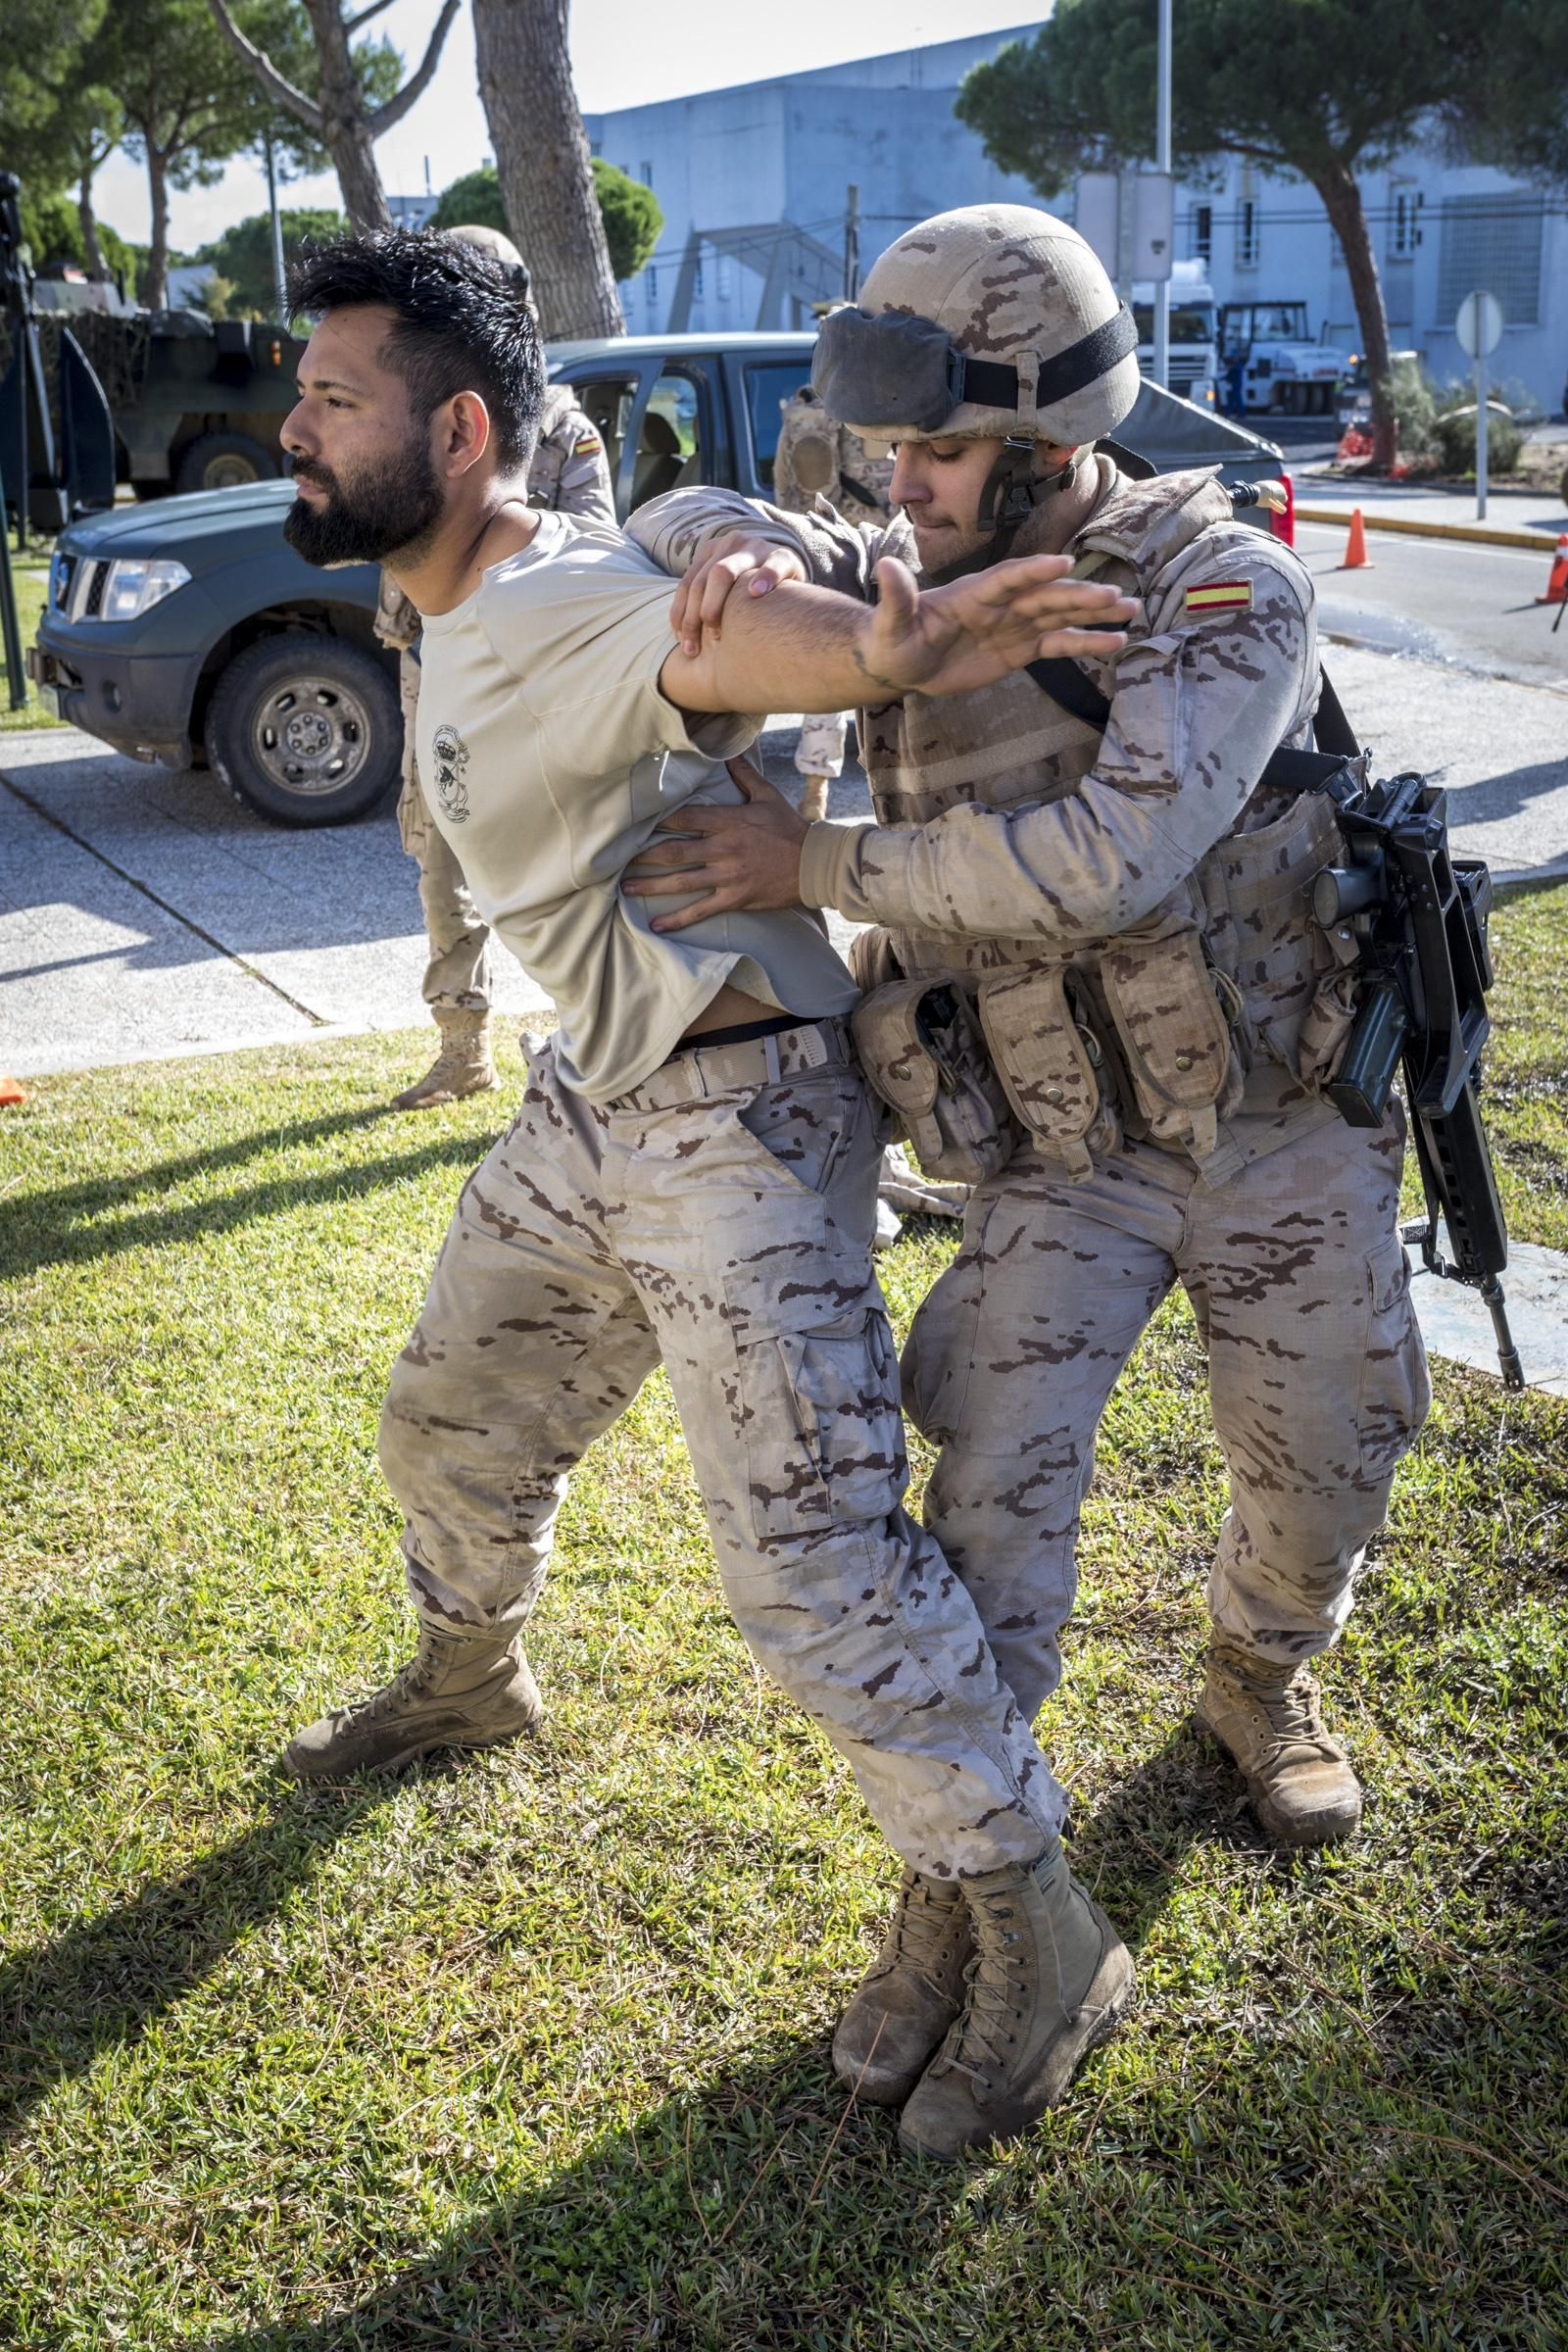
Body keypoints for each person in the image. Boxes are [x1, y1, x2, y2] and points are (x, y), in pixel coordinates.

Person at [271, 224, 1144, 2162]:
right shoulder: (476, 586)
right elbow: (698, 557)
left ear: (462, 426)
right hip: (599, 1102)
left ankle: (1037, 1918)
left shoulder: (564, 600)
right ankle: (465, 1672)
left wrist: (888, 648)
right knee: (449, 1422)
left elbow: (732, 644)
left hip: (738, 1128)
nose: (294, 427)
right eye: (305, 392)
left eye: (333, 399)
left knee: (810, 1570)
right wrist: (725, 536)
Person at [624, 202, 1431, 2129]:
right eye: (879, 454)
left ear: (1055, 441)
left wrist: (804, 865)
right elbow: (658, 555)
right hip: (1057, 1161)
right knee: (984, 1507)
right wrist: (716, 543)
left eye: (929, 450)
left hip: (1270, 1131)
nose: (887, 487)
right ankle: (965, 1885)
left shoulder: (1213, 588)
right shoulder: (900, 556)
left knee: (1326, 1456)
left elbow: (1101, 866)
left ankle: (1254, 1677)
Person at [377, 224, 616, 1113]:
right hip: (431, 662)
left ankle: (591, 1037)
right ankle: (460, 1046)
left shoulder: (555, 429)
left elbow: (590, 545)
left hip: (527, 676)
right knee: (439, 852)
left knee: (564, 859)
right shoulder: (408, 412)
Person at [772, 376, 895, 821]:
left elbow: (791, 490)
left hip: (831, 555)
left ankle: (815, 793)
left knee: (830, 681)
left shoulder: (811, 411)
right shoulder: (884, 404)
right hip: (880, 555)